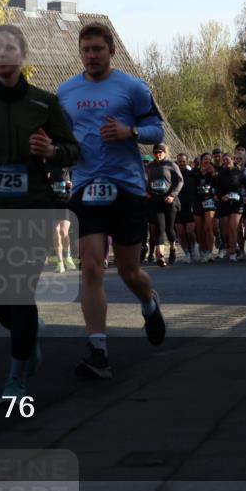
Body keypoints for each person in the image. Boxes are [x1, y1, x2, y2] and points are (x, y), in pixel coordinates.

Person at [0, 24, 80, 399]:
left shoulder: (44, 103)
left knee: (20, 289)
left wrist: (52, 153)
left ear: (22, 56)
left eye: (10, 47)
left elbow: (72, 149)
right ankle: (29, 336)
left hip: (33, 206)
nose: (2, 54)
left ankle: (16, 378)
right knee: (2, 302)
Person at [57, 22, 166, 380]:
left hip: (127, 188)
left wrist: (129, 132)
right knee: (90, 266)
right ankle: (98, 351)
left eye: (97, 50)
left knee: (128, 270)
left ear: (111, 51)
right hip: (86, 188)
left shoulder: (132, 88)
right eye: (85, 50)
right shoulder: (65, 92)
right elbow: (60, 138)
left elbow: (157, 131)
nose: (90, 56)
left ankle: (149, 303)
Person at [146, 144, 183, 266]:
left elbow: (180, 181)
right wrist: (147, 192)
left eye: (160, 152)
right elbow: (145, 180)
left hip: (170, 200)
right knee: (159, 229)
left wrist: (172, 195)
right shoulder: (150, 166)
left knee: (169, 229)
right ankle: (160, 256)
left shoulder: (171, 164)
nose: (158, 154)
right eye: (155, 152)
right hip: (156, 200)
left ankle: (172, 249)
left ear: (165, 153)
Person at [215, 152, 246, 262]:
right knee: (225, 231)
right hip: (224, 204)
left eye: (228, 160)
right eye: (224, 160)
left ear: (232, 160)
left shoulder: (239, 173)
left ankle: (232, 254)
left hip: (237, 203)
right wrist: (221, 197)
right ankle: (231, 247)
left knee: (232, 228)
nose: (226, 162)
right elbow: (216, 189)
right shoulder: (220, 174)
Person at [192, 154, 219, 262]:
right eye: (205, 159)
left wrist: (213, 173)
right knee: (200, 229)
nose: (207, 161)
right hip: (197, 201)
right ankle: (203, 251)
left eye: (209, 159)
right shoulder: (195, 172)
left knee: (208, 227)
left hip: (209, 200)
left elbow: (218, 183)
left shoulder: (213, 172)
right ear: (201, 160)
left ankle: (210, 252)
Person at [50, 168, 76, 273]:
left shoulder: (70, 164)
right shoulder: (48, 165)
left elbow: (79, 179)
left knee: (63, 231)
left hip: (66, 200)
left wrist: (71, 184)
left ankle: (68, 257)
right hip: (52, 201)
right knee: (56, 232)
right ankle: (60, 263)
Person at [174, 152, 197, 263]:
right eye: (179, 161)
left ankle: (193, 247)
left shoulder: (192, 174)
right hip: (177, 206)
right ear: (177, 162)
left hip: (190, 206)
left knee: (189, 231)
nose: (182, 163)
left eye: (183, 161)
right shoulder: (173, 174)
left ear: (187, 161)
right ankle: (186, 254)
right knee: (180, 232)